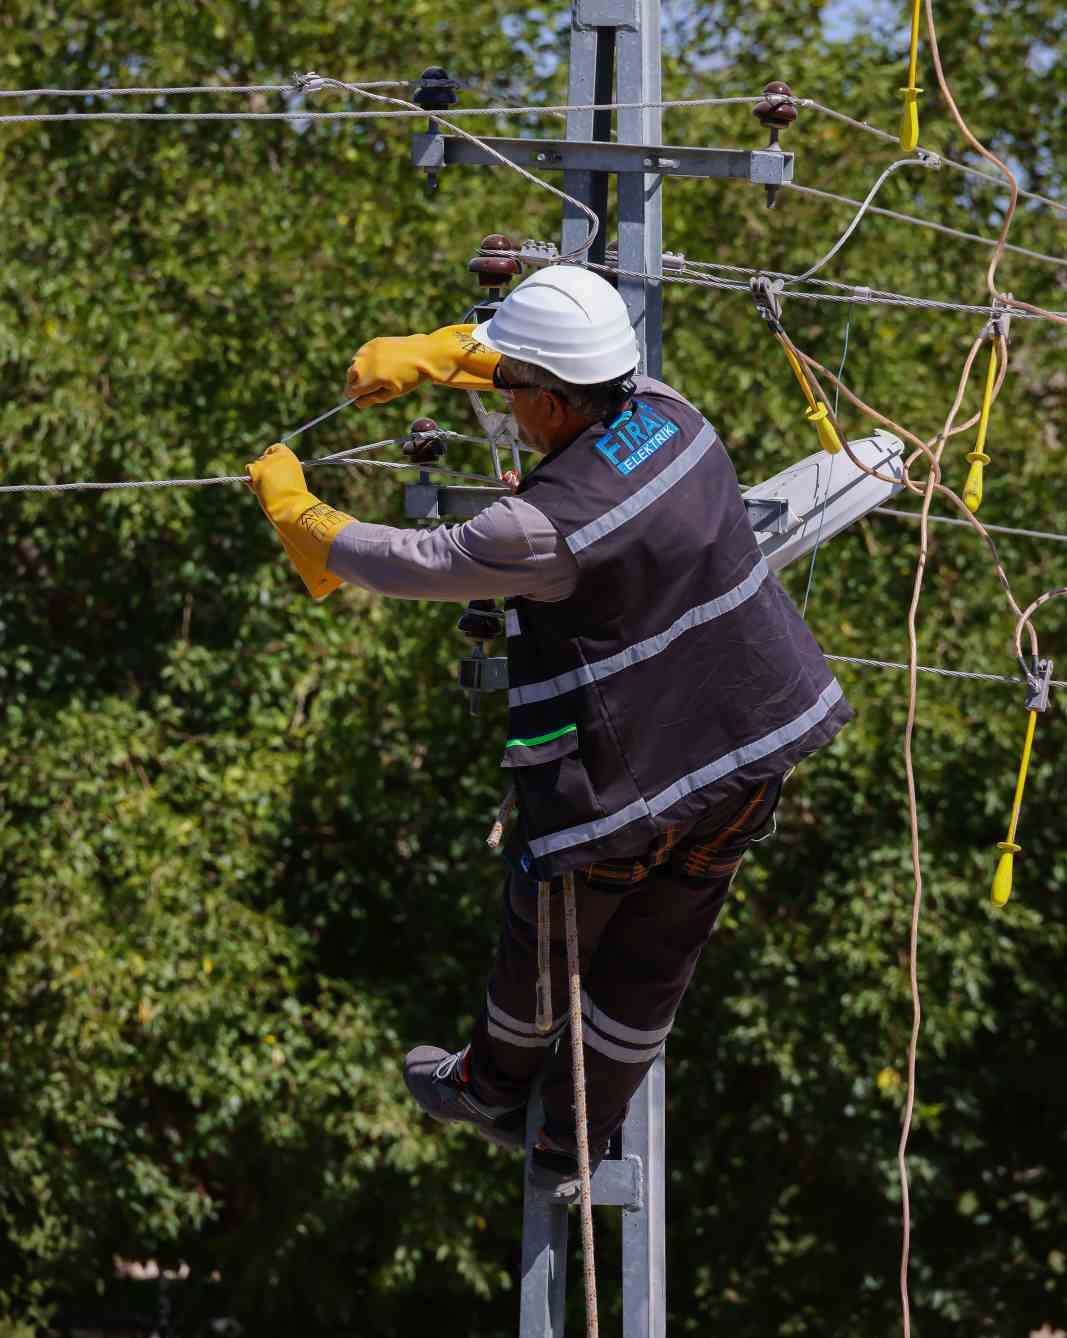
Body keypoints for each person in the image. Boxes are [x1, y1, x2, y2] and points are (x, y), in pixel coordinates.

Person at [246, 265, 852, 1194]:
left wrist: (305, 517)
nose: (508, 401)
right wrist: (447, 356)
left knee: (548, 939)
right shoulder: (673, 414)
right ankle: (574, 1136)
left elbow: (423, 560)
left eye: (515, 387)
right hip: (748, 753)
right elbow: (561, 378)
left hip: (634, 783)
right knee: (656, 958)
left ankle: (489, 1090)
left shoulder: (541, 526)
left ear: (556, 407)